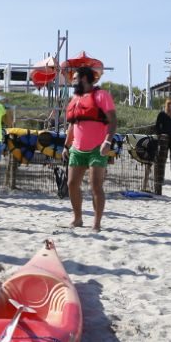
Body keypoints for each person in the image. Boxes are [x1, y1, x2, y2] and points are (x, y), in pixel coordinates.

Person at [63, 67, 117, 229]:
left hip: (97, 148)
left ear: (85, 79)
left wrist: (107, 142)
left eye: (75, 78)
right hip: (77, 149)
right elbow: (72, 125)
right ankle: (77, 218)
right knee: (71, 184)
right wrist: (66, 145)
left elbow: (113, 121)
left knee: (95, 186)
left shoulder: (102, 96)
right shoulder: (75, 98)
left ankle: (97, 223)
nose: (73, 81)